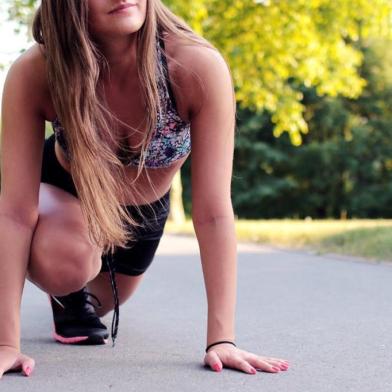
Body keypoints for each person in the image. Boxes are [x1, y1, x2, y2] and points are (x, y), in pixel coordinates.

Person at [0, 0, 290, 378]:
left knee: (101, 304)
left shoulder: (195, 66)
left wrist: (222, 340)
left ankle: (72, 300)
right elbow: (15, 213)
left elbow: (213, 212)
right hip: (66, 192)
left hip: (143, 212)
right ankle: (66, 286)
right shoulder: (37, 70)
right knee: (67, 263)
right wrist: (6, 343)